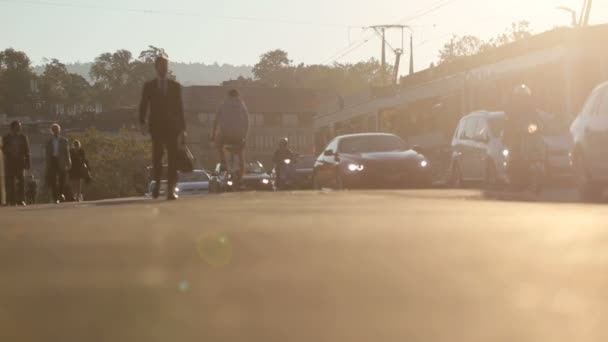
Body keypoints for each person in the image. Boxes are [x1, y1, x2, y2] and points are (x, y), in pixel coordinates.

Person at [139, 56, 186, 201]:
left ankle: (171, 189)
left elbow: (180, 108)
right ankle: (157, 185)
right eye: (161, 66)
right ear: (156, 68)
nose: (164, 68)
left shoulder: (175, 86)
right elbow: (143, 105)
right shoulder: (149, 86)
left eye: (165, 65)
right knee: (157, 157)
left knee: (173, 158)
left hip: (172, 127)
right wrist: (142, 122)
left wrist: (183, 129)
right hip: (157, 127)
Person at [502, 84, 542, 188]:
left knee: (540, 153)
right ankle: (512, 176)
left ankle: (538, 177)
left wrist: (534, 128)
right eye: (520, 97)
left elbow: (538, 123)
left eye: (525, 97)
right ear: (516, 98)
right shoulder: (511, 111)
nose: (523, 100)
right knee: (512, 155)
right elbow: (507, 125)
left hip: (530, 139)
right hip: (516, 139)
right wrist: (510, 133)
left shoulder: (532, 110)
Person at [211, 89, 250, 180]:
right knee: (240, 153)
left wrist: (213, 135)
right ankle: (241, 174)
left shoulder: (223, 104)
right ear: (237, 95)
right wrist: (244, 136)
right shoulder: (241, 105)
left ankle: (223, 162)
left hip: (225, 135)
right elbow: (247, 121)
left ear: (228, 95)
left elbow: (215, 120)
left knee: (218, 145)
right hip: (239, 136)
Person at [1, 121, 31, 206]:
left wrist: (28, 162)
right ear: (13, 127)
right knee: (10, 182)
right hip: (10, 162)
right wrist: (8, 149)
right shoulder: (6, 138)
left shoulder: (23, 137)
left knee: (21, 181)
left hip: (20, 162)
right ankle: (10, 200)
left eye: (20, 127)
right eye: (18, 126)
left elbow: (27, 151)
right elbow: (3, 149)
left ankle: (21, 200)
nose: (19, 128)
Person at [45, 123, 71, 204]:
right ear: (52, 131)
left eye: (57, 130)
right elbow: (47, 152)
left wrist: (69, 161)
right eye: (54, 130)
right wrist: (47, 162)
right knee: (53, 179)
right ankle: (55, 196)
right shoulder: (49, 141)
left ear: (59, 131)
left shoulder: (64, 140)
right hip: (53, 160)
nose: (55, 131)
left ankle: (61, 194)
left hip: (61, 160)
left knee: (62, 178)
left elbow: (67, 152)